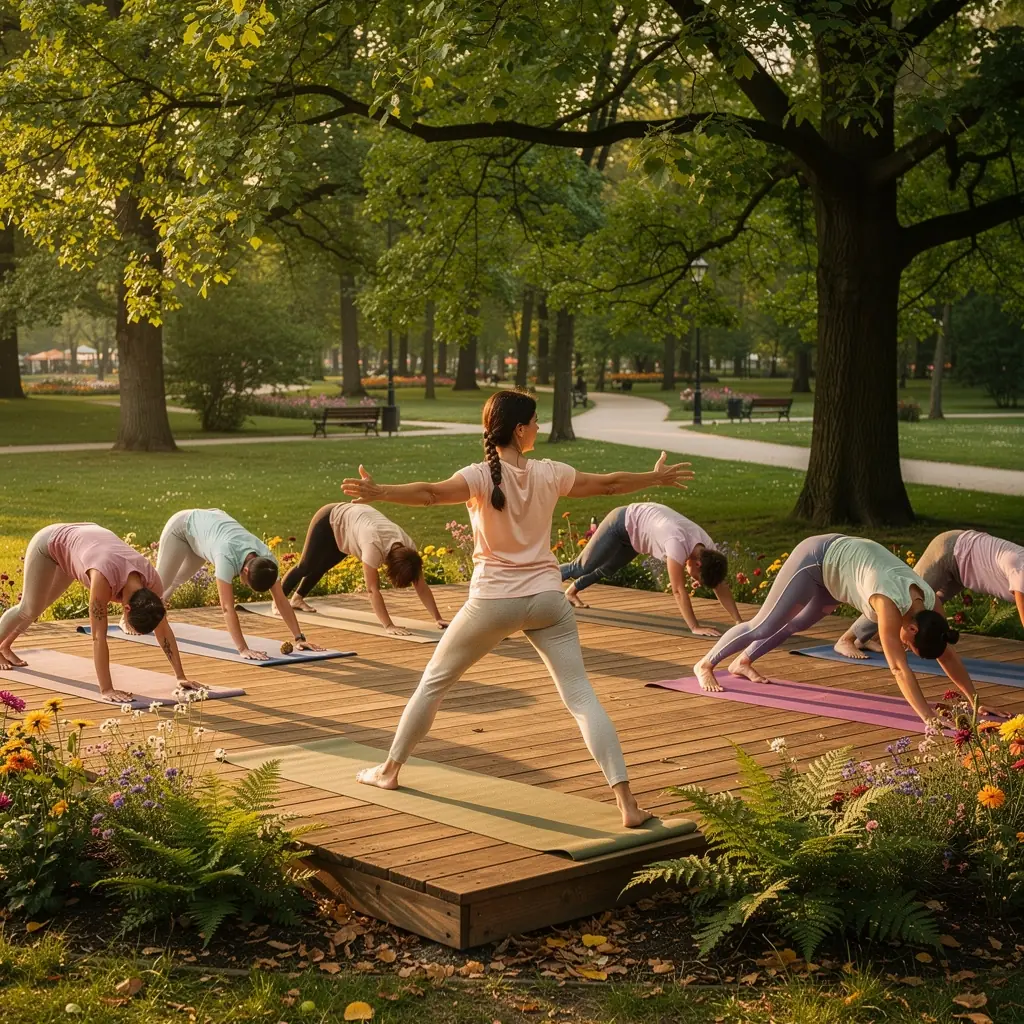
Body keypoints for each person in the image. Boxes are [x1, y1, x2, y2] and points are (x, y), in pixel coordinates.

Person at [341, 388, 693, 827]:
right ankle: (627, 806)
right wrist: (654, 479)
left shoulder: (479, 476)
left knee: (433, 684)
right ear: (520, 429)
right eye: (536, 421)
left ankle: (388, 771)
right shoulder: (550, 473)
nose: (541, 427)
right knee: (581, 697)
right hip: (548, 601)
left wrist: (381, 491)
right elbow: (610, 484)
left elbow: (431, 494)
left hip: (494, 602)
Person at [692, 534, 991, 726]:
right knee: (764, 624)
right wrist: (928, 717)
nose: (907, 650)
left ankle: (743, 662)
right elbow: (899, 670)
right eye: (911, 647)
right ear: (912, 628)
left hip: (838, 576)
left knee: (797, 624)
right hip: (817, 559)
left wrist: (976, 702)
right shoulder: (888, 605)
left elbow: (947, 654)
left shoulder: (931, 608)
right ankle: (705, 664)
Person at [0, 523, 201, 702]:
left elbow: (163, 630)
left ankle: (5, 646)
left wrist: (180, 676)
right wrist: (107, 689)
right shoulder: (103, 580)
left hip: (83, 544)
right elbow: (98, 637)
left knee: (38, 607)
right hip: (50, 542)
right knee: (29, 608)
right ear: (126, 608)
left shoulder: (152, 585)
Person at [156, 508, 325, 660]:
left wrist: (299, 638)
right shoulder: (226, 557)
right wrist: (243, 649)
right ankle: (131, 616)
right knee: (159, 585)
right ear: (245, 571)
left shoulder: (268, 561)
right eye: (248, 584)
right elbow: (227, 607)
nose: (245, 585)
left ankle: (158, 611)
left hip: (208, 530)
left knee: (178, 579)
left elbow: (281, 600)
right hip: (182, 526)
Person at [834, 529, 1024, 658]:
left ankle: (869, 639)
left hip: (963, 568)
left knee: (926, 609)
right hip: (950, 550)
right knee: (903, 597)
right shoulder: (1020, 570)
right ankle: (847, 639)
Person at [560, 503, 742, 637]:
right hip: (619, 523)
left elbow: (720, 585)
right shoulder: (676, 544)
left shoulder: (708, 549)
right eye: (699, 579)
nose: (697, 582)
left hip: (634, 534)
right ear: (698, 564)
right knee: (581, 567)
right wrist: (695, 627)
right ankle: (534, 577)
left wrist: (738, 621)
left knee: (608, 569)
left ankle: (572, 592)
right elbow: (678, 590)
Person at [281, 504, 448, 636]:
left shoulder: (408, 547)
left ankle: (297, 599)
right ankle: (279, 601)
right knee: (306, 565)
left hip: (350, 526)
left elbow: (421, 585)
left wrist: (437, 618)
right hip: (329, 518)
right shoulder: (373, 546)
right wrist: (388, 625)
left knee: (322, 567)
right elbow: (372, 590)